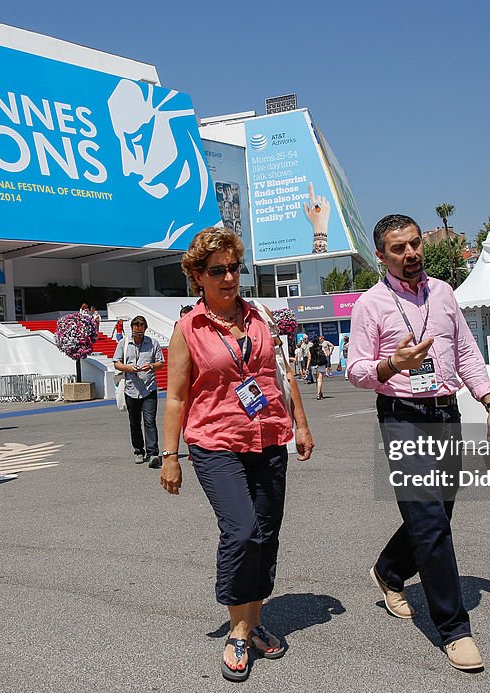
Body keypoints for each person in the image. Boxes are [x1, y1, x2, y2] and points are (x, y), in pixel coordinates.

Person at [347, 214, 490, 672]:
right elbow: (356, 370)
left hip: (445, 412)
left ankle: (390, 571)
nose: (411, 253)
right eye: (398, 248)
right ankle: (454, 629)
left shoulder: (444, 292)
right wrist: (391, 364)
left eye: (414, 244)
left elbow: (466, 352)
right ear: (382, 255)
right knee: (431, 523)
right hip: (402, 417)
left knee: (439, 511)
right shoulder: (371, 304)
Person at [159, 227, 314, 682]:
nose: (229, 277)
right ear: (197, 276)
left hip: (269, 438)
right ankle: (237, 630)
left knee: (266, 533)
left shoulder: (261, 316)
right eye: (217, 270)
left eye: (233, 268)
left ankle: (256, 619)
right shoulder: (188, 329)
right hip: (215, 442)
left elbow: (280, 375)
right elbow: (174, 397)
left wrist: (301, 425)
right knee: (242, 530)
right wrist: (170, 455)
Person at [114, 316, 164, 468]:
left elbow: (160, 363)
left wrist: (151, 366)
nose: (138, 336)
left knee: (150, 421)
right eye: (136, 332)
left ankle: (153, 453)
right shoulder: (124, 343)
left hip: (149, 388)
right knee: (134, 422)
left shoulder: (153, 343)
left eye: (141, 332)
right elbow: (116, 363)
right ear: (132, 330)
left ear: (145, 329)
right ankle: (138, 451)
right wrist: (127, 368)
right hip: (131, 389)